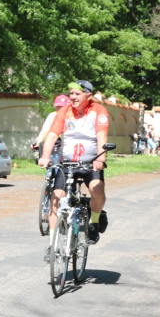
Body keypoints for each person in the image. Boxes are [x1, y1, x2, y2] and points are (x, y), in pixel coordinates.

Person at [38, 80, 110, 252]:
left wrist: (100, 159)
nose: (72, 97)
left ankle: (93, 222)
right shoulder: (64, 111)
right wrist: (45, 157)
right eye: (71, 93)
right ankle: (52, 244)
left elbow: (101, 136)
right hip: (67, 163)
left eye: (77, 94)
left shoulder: (99, 111)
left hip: (90, 163)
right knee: (55, 198)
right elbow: (52, 135)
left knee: (97, 189)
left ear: (88, 95)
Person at [33, 94, 69, 164]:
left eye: (62, 107)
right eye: (58, 107)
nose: (59, 109)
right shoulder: (52, 116)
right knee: (51, 167)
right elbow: (44, 131)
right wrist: (38, 142)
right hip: (55, 148)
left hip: (68, 149)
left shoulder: (72, 116)